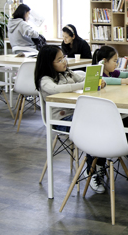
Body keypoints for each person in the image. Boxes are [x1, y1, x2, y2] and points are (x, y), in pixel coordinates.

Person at [34, 45, 106, 193]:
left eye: (64, 57)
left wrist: (97, 79)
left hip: (76, 115)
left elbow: (84, 76)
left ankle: (98, 165)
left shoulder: (67, 73)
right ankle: (91, 171)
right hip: (60, 121)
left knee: (101, 123)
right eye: (59, 60)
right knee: (93, 127)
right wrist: (85, 84)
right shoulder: (45, 80)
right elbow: (56, 89)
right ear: (48, 63)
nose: (64, 62)